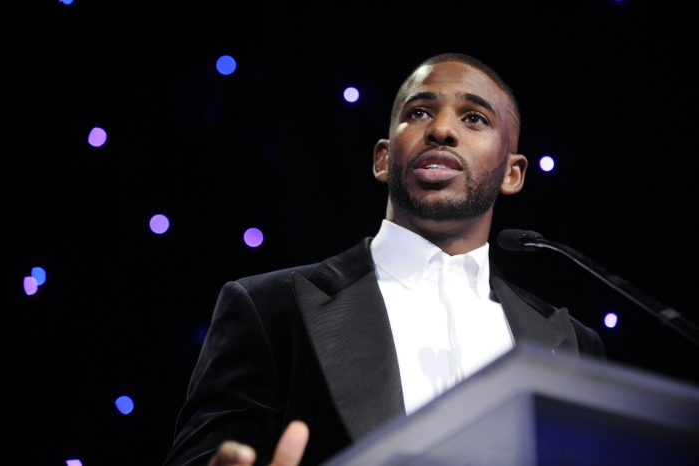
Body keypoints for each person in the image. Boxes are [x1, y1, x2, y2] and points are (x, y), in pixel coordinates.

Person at [162, 52, 606, 466]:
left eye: (474, 118)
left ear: (513, 173)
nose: (441, 130)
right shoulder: (269, 308)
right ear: (383, 158)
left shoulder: (569, 343)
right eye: (418, 113)